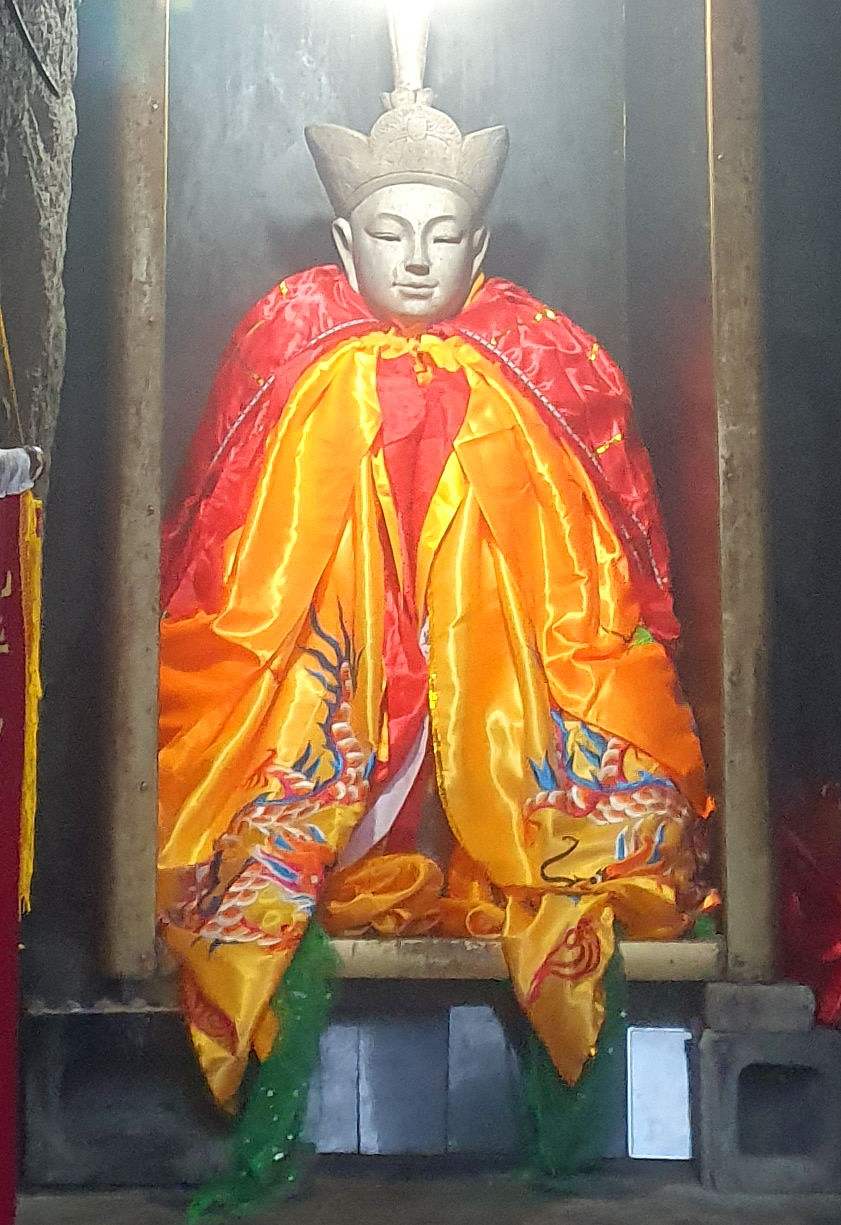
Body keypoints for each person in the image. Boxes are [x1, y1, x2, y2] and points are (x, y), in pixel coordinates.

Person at [157, 82, 714, 1111]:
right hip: (332, 652)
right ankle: (333, 840)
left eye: (443, 235)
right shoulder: (289, 339)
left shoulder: (537, 353)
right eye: (389, 233)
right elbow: (223, 536)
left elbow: (599, 537)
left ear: (480, 245)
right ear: (344, 242)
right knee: (281, 729)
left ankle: (497, 837)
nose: (416, 258)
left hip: (497, 663)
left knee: (564, 750)